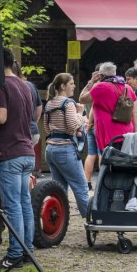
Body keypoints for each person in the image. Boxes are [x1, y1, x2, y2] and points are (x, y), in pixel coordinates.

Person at [0, 48, 39, 267]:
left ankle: (15, 254)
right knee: (24, 203)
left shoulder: (0, 85)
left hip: (8, 153)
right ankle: (27, 249)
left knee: (12, 206)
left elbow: (0, 117)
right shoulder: (23, 84)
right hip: (27, 151)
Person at [40, 73, 91, 217]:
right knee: (81, 187)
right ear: (63, 86)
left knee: (59, 189)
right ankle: (90, 220)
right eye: (71, 83)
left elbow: (47, 128)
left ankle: (57, 219)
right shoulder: (68, 103)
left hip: (50, 150)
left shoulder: (49, 103)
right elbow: (72, 126)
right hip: (65, 149)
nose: (74, 86)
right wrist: (80, 114)